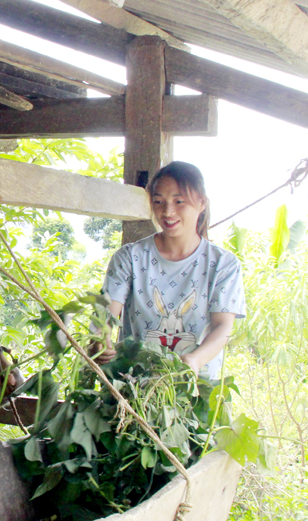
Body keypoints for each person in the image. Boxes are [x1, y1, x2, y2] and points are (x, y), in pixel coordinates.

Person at [100, 161, 245, 379]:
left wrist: (195, 360)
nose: (168, 212)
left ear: (201, 203)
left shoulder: (223, 265)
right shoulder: (129, 258)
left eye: (179, 201)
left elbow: (222, 327)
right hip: (132, 387)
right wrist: (101, 340)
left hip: (196, 388)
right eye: (159, 202)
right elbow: (105, 316)